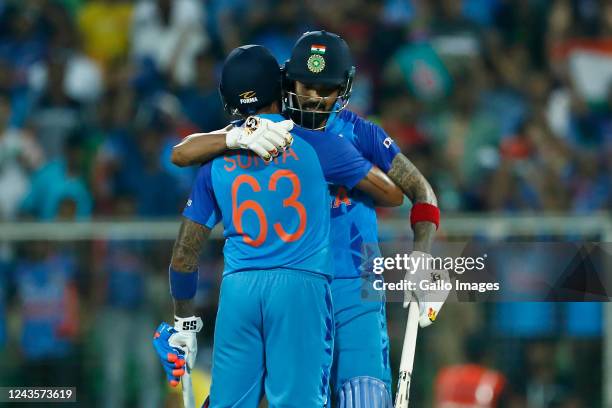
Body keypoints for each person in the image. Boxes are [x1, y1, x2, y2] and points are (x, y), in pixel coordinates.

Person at [171, 31, 450, 406]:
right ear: (288, 82)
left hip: (354, 285)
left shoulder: (358, 132)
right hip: (299, 288)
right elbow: (190, 149)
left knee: (362, 398)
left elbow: (421, 192)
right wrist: (237, 138)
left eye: (327, 89)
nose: (316, 98)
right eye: (307, 86)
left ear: (344, 88)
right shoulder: (269, 130)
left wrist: (422, 257)